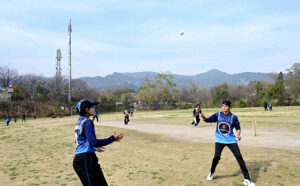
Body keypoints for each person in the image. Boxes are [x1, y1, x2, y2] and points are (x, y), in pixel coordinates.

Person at [201, 100, 256, 186]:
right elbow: (208, 120)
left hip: (231, 140)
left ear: (229, 107)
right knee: (217, 156)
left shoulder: (233, 117)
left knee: (239, 157)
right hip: (219, 140)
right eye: (222, 105)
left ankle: (247, 179)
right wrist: (203, 117)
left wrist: (238, 135)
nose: (224, 107)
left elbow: (238, 128)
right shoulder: (218, 115)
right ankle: (211, 173)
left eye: (226, 106)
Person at [73, 99, 124, 186]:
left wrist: (93, 148)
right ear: (87, 110)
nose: (94, 108)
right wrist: (112, 138)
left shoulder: (80, 121)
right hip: (85, 160)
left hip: (83, 159)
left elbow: (80, 140)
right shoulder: (88, 122)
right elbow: (93, 142)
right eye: (92, 107)